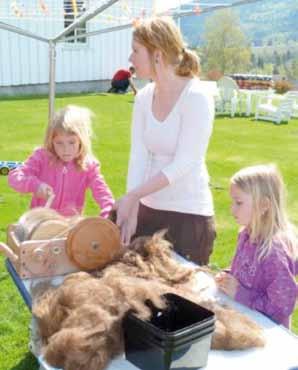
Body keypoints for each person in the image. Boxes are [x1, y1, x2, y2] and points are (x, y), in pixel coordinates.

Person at [113, 17, 216, 265]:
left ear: (157, 55)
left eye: (136, 51)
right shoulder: (143, 98)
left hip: (188, 218)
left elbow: (185, 163)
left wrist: (133, 196)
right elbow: (138, 156)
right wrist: (133, 206)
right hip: (148, 211)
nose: (130, 59)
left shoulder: (197, 97)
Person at [215, 164, 298, 328]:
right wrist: (227, 276)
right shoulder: (246, 234)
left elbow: (280, 307)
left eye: (239, 203)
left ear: (264, 205)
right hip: (242, 319)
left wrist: (240, 294)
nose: (232, 209)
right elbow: (245, 270)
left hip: (265, 332)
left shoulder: (274, 252)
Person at [8, 105, 114, 218]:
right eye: (59, 143)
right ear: (51, 141)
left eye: (72, 142)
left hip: (69, 226)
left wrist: (108, 213)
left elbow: (103, 194)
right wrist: (35, 186)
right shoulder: (41, 157)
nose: (66, 149)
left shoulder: (89, 165)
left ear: (81, 141)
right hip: (39, 224)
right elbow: (15, 177)